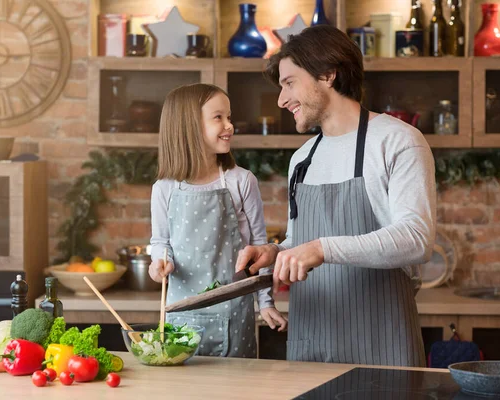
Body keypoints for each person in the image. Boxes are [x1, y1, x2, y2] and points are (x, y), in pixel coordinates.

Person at [235, 25, 436, 367]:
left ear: (328, 74)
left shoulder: (397, 141)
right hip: (311, 345)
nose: (282, 100)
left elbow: (417, 239)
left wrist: (320, 248)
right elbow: (302, 242)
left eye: (289, 83)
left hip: (381, 347)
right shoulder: (302, 159)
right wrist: (276, 252)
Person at [149, 83, 287, 358]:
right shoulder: (164, 188)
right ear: (188, 126)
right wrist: (158, 264)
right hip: (181, 318)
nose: (229, 125)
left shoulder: (241, 181)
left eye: (229, 117)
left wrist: (266, 303)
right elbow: (161, 242)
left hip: (235, 317)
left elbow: (258, 249)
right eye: (218, 117)